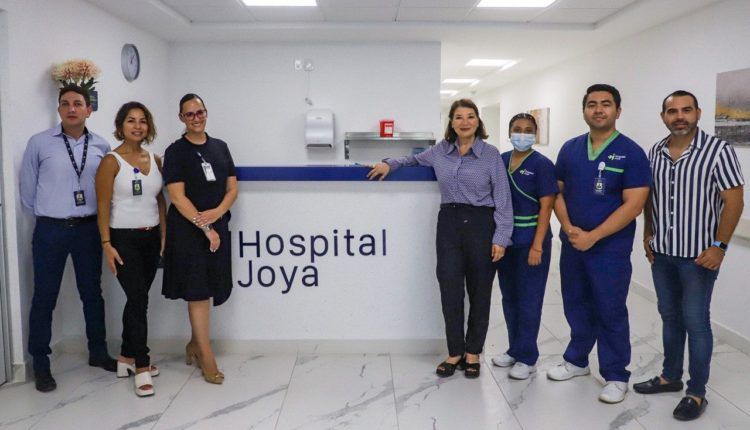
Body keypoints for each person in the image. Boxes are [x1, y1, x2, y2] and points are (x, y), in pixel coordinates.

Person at [368, 98, 513, 379]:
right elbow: (411, 159)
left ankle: (473, 352)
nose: (465, 122)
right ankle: (455, 352)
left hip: (481, 224)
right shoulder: (440, 151)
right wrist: (388, 164)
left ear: (478, 121)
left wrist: (501, 237)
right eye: (458, 117)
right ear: (451, 122)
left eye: (470, 116)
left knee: (480, 291)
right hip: (449, 223)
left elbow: (503, 199)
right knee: (450, 288)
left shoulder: (491, 155)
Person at [634, 90, 745, 421]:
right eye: (672, 111)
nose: (679, 116)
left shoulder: (718, 151)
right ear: (663, 116)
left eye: (686, 110)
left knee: (696, 322)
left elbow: (734, 202)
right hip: (663, 254)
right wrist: (648, 232)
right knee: (670, 317)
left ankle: (696, 392)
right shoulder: (655, 152)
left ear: (698, 113)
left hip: (698, 258)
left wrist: (719, 247)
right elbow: (650, 198)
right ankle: (670, 376)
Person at [548, 84, 650, 404]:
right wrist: (569, 228)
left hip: (610, 249)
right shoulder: (570, 149)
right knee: (575, 303)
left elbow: (634, 205)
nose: (598, 109)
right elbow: (556, 192)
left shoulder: (631, 152)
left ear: (618, 110)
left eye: (606, 104)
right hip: (573, 244)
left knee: (610, 308)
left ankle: (616, 374)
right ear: (584, 110)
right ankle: (577, 360)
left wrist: (593, 236)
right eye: (592, 104)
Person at [19, 85, 117, 392]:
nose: (71, 108)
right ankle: (41, 364)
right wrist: (52, 213)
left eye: (77, 103)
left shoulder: (101, 145)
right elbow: (27, 192)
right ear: (59, 109)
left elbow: (108, 189)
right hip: (51, 229)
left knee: (92, 293)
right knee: (44, 297)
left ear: (89, 109)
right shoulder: (39, 143)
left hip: (89, 229)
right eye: (65, 103)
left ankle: (98, 352)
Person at [162, 93, 238, 384]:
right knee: (197, 291)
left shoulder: (220, 147)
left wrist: (217, 213)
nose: (196, 118)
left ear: (206, 113)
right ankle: (206, 355)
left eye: (200, 112)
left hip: (217, 225)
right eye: (190, 114)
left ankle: (195, 343)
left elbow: (232, 188)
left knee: (210, 287)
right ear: (181, 118)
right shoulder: (176, 152)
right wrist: (206, 227)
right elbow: (177, 197)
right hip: (189, 232)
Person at [95, 102, 166, 397]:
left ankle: (125, 356)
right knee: (138, 300)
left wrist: (163, 235)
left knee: (138, 300)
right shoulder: (111, 162)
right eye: (131, 120)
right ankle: (142, 365)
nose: (137, 126)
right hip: (123, 240)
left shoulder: (155, 159)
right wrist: (106, 245)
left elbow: (159, 200)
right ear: (120, 126)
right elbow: (102, 206)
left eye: (142, 121)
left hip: (151, 238)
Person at [491, 113, 558, 380]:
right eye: (517, 129)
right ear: (509, 132)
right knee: (510, 298)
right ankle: (515, 349)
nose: (522, 134)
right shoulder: (501, 160)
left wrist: (537, 246)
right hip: (506, 241)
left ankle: (528, 357)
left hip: (531, 241)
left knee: (530, 300)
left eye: (528, 130)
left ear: (535, 134)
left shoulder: (542, 165)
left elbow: (547, 207)